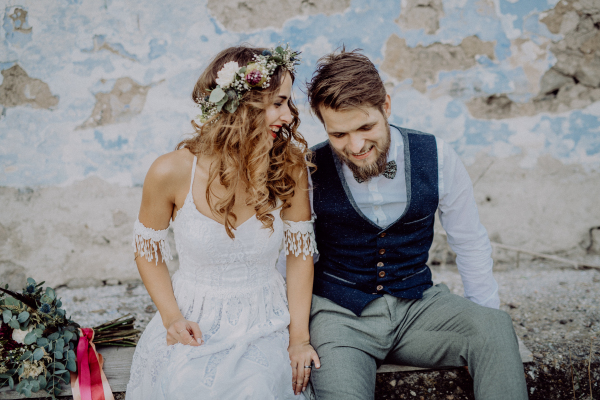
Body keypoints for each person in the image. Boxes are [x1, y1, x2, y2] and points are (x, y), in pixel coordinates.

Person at [302, 49, 528, 400]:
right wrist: (297, 335)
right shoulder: (310, 169)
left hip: (417, 306)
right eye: (339, 135)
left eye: (366, 127)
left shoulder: (436, 155)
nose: (356, 145)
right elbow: (294, 257)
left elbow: (469, 241)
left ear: (387, 106)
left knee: (493, 328)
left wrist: (479, 318)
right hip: (340, 317)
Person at [125, 45, 320, 400]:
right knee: (186, 385)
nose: (290, 116)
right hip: (193, 314)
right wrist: (171, 319)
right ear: (240, 106)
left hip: (266, 316)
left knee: (258, 389)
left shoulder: (289, 165)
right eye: (278, 103)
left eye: (289, 103)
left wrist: (299, 339)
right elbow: (147, 251)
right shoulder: (170, 171)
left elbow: (299, 255)